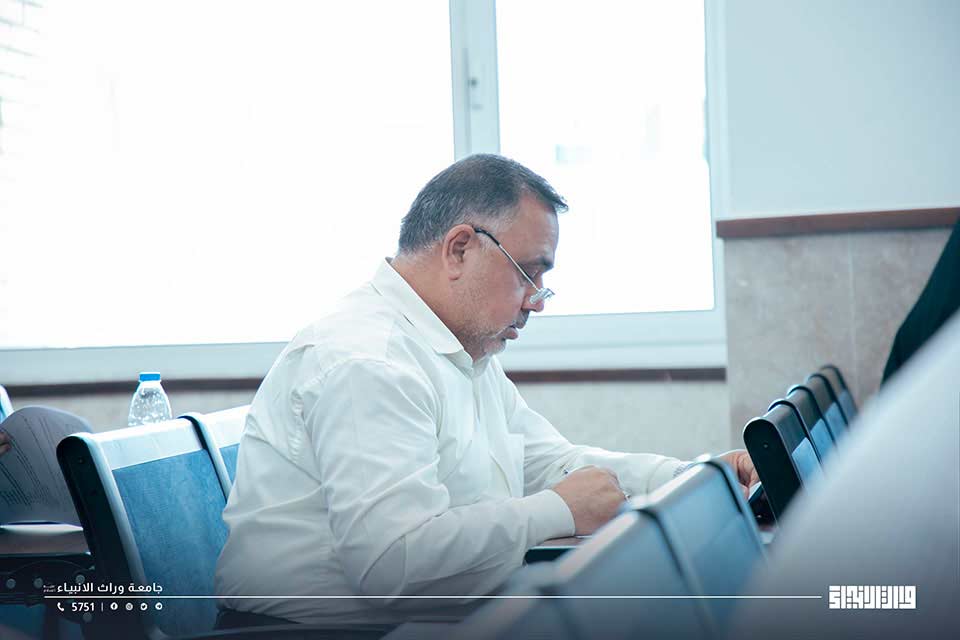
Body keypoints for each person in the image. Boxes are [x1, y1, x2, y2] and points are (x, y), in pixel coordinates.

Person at [215, 154, 758, 626]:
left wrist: (695, 478)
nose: (536, 300)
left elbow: (552, 464)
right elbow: (392, 564)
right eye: (528, 273)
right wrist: (557, 511)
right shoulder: (369, 359)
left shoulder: (458, 351)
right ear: (459, 249)